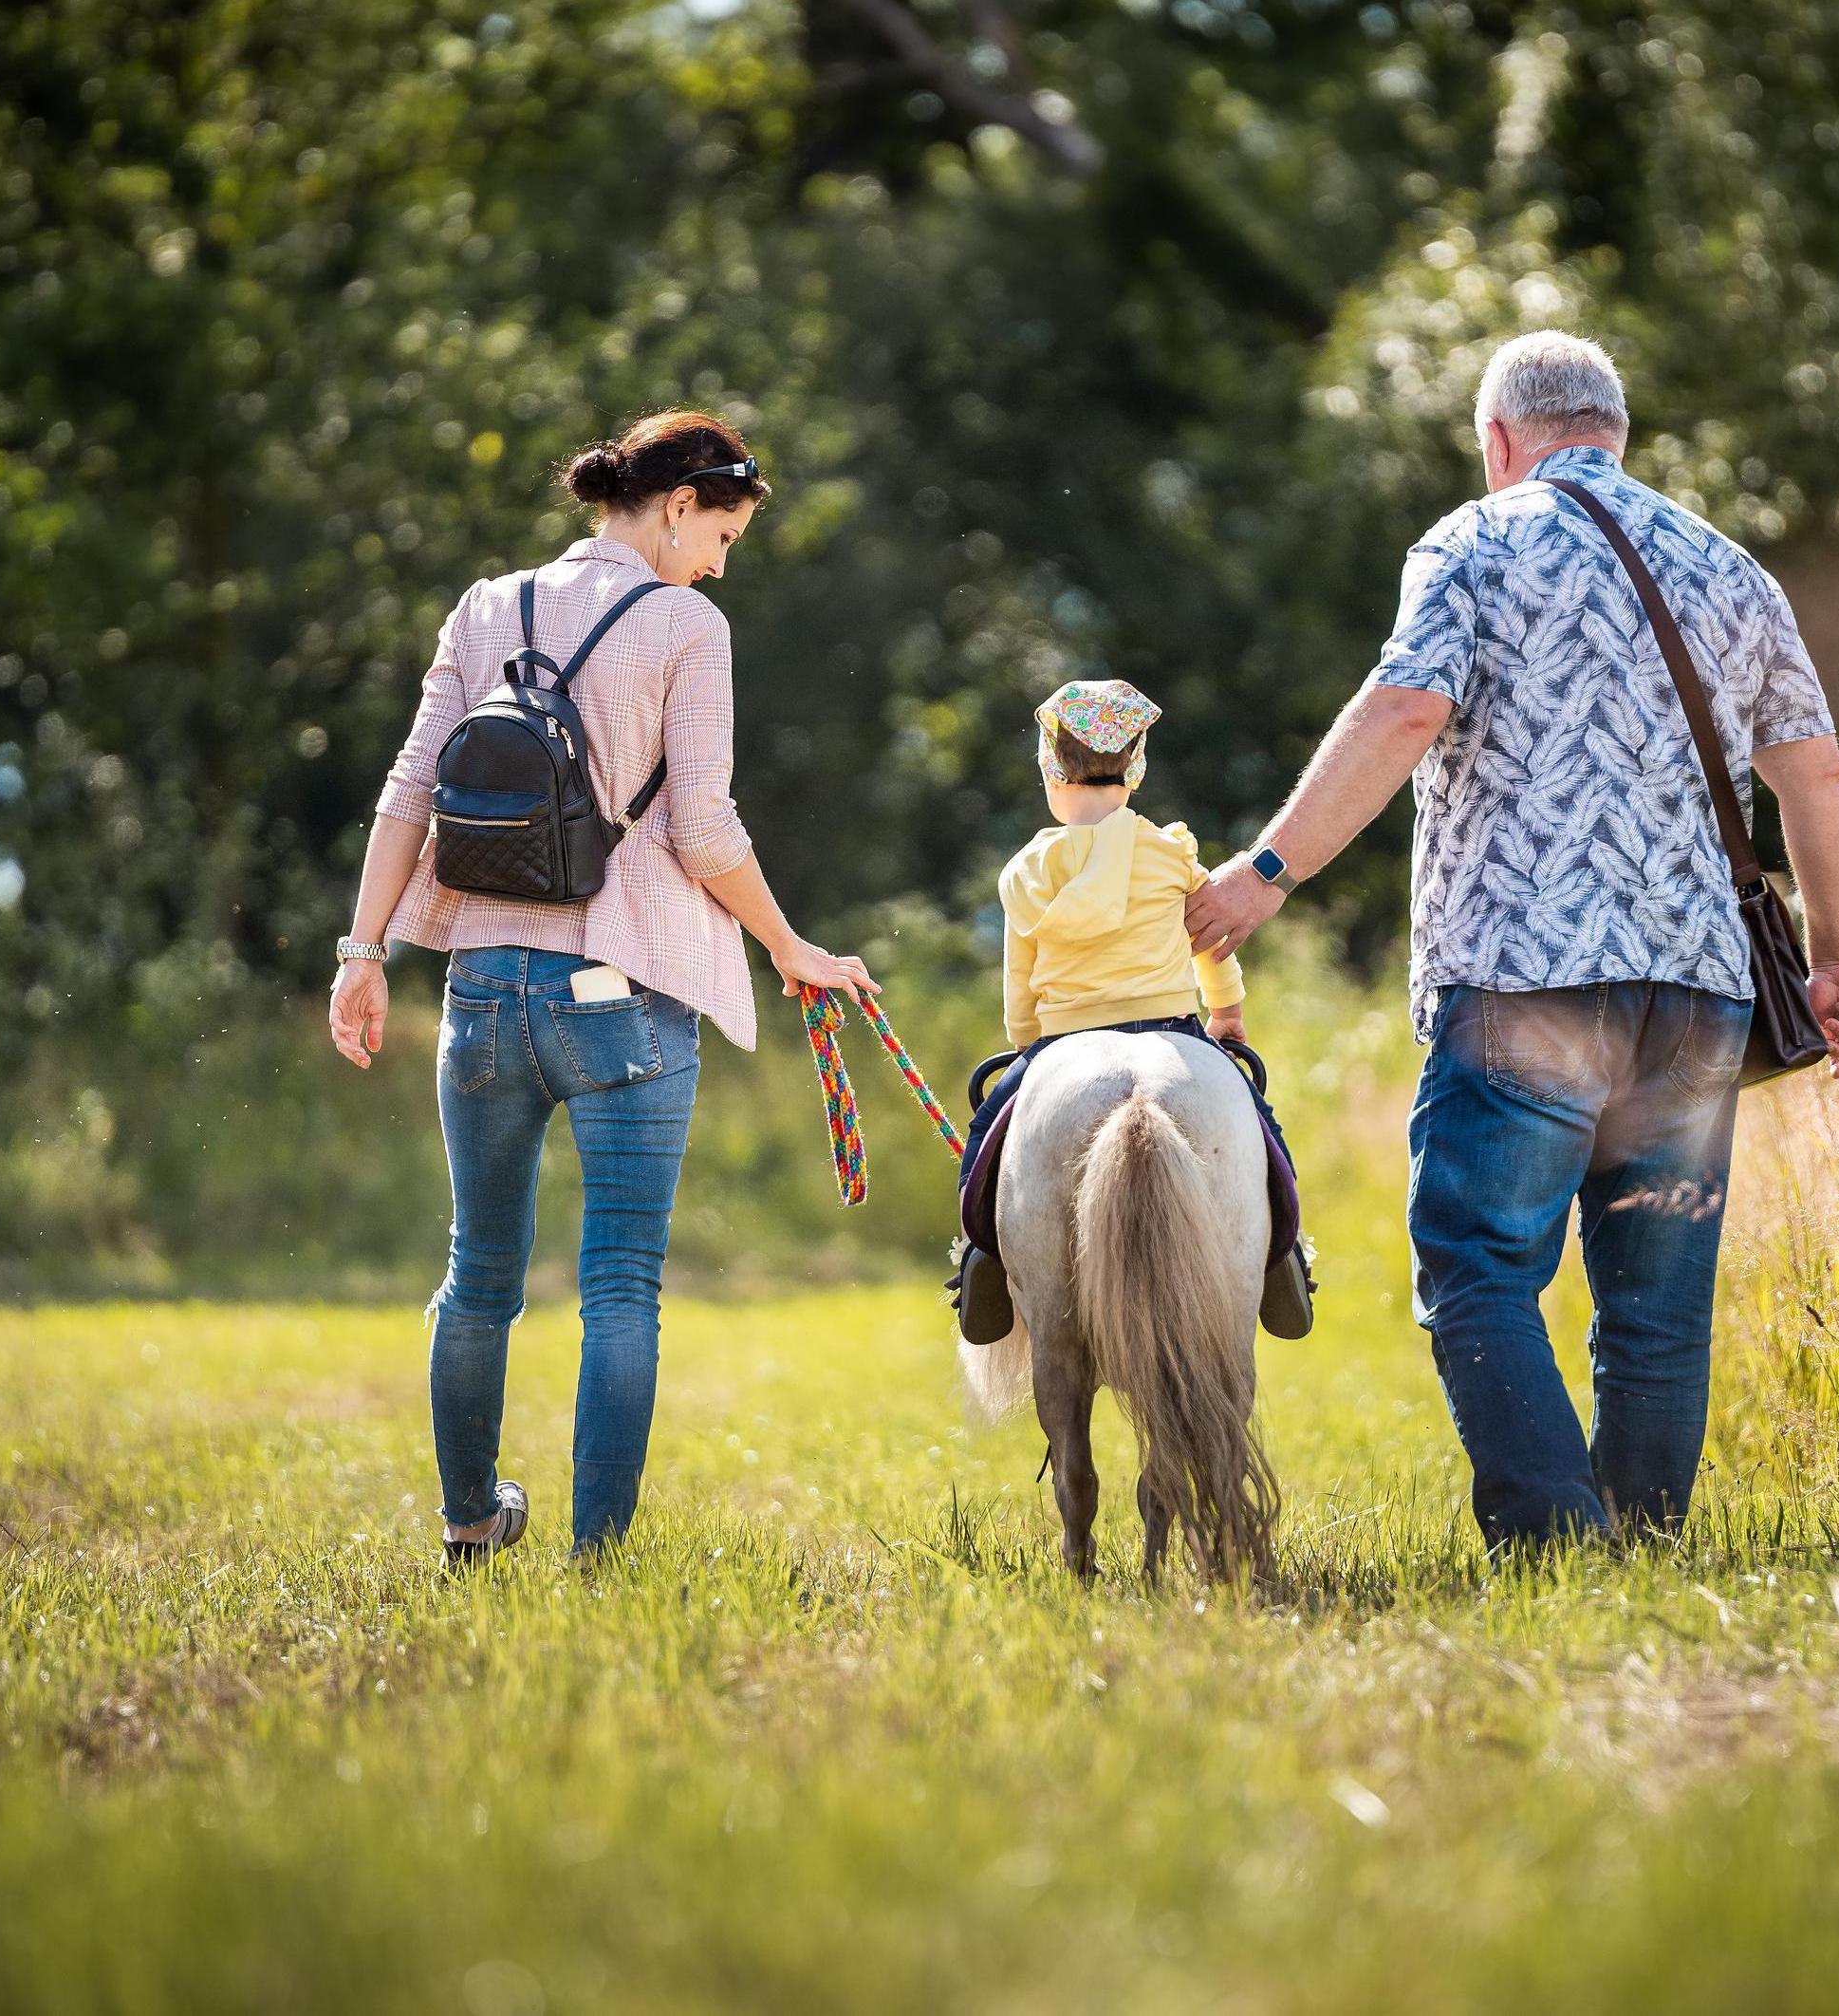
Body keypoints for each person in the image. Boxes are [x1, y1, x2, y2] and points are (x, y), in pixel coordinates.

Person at [1185, 331, 1839, 1553]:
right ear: (1615, 435)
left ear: (1499, 441)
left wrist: (1269, 870)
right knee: (1658, 1303)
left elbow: (1406, 709)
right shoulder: (1724, 565)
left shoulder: (1472, 543)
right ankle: (1644, 1547)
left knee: (1481, 1269)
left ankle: (1558, 1547)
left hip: (1525, 978)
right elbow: (1815, 774)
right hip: (1697, 990)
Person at [328, 410, 875, 1563]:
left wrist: (362, 952)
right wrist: (789, 946)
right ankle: (598, 1557)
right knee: (621, 1284)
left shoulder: (487, 605)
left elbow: (409, 788)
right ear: (678, 507)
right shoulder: (686, 626)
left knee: (477, 1275)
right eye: (721, 537)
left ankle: (470, 1522)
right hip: (625, 994)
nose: (720, 565)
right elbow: (704, 828)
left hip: (482, 988)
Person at [950, 679, 1310, 1346]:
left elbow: (1019, 985)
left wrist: (1027, 1043)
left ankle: (981, 1258)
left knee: (986, 1137)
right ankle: (1286, 1253)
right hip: (1173, 1027)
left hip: (1062, 1038)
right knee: (1259, 1126)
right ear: (1136, 767)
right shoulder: (1171, 853)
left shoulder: (1028, 870)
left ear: (1049, 768)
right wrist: (1226, 1011)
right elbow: (1211, 941)